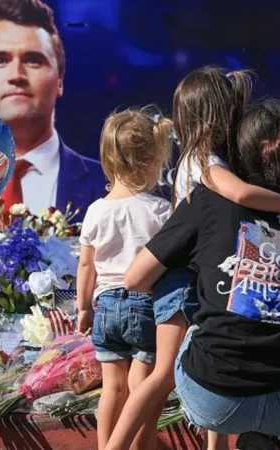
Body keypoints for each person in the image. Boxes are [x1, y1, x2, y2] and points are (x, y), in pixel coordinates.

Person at [105, 67, 280, 450]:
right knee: (180, 361)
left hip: (217, 393)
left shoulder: (207, 187)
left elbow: (135, 278)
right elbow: (243, 197)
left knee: (193, 350)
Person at [75, 107, 174, 450]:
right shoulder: (160, 210)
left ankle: (106, 445)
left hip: (105, 306)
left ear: (107, 160)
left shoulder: (96, 211)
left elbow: (87, 266)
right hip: (146, 305)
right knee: (140, 385)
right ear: (152, 161)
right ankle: (136, 445)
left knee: (112, 387)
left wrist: (83, 308)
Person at [0, 0, 105, 218]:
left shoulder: (110, 189)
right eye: (0, 60)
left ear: (60, 81)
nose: (16, 75)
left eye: (33, 60)